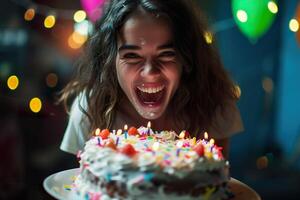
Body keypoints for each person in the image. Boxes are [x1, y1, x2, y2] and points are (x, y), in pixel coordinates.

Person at [60, 0, 243, 158]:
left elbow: (217, 186)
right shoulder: (90, 109)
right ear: (110, 61)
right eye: (132, 56)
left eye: (166, 54)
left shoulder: (215, 103)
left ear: (187, 58)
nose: (150, 72)